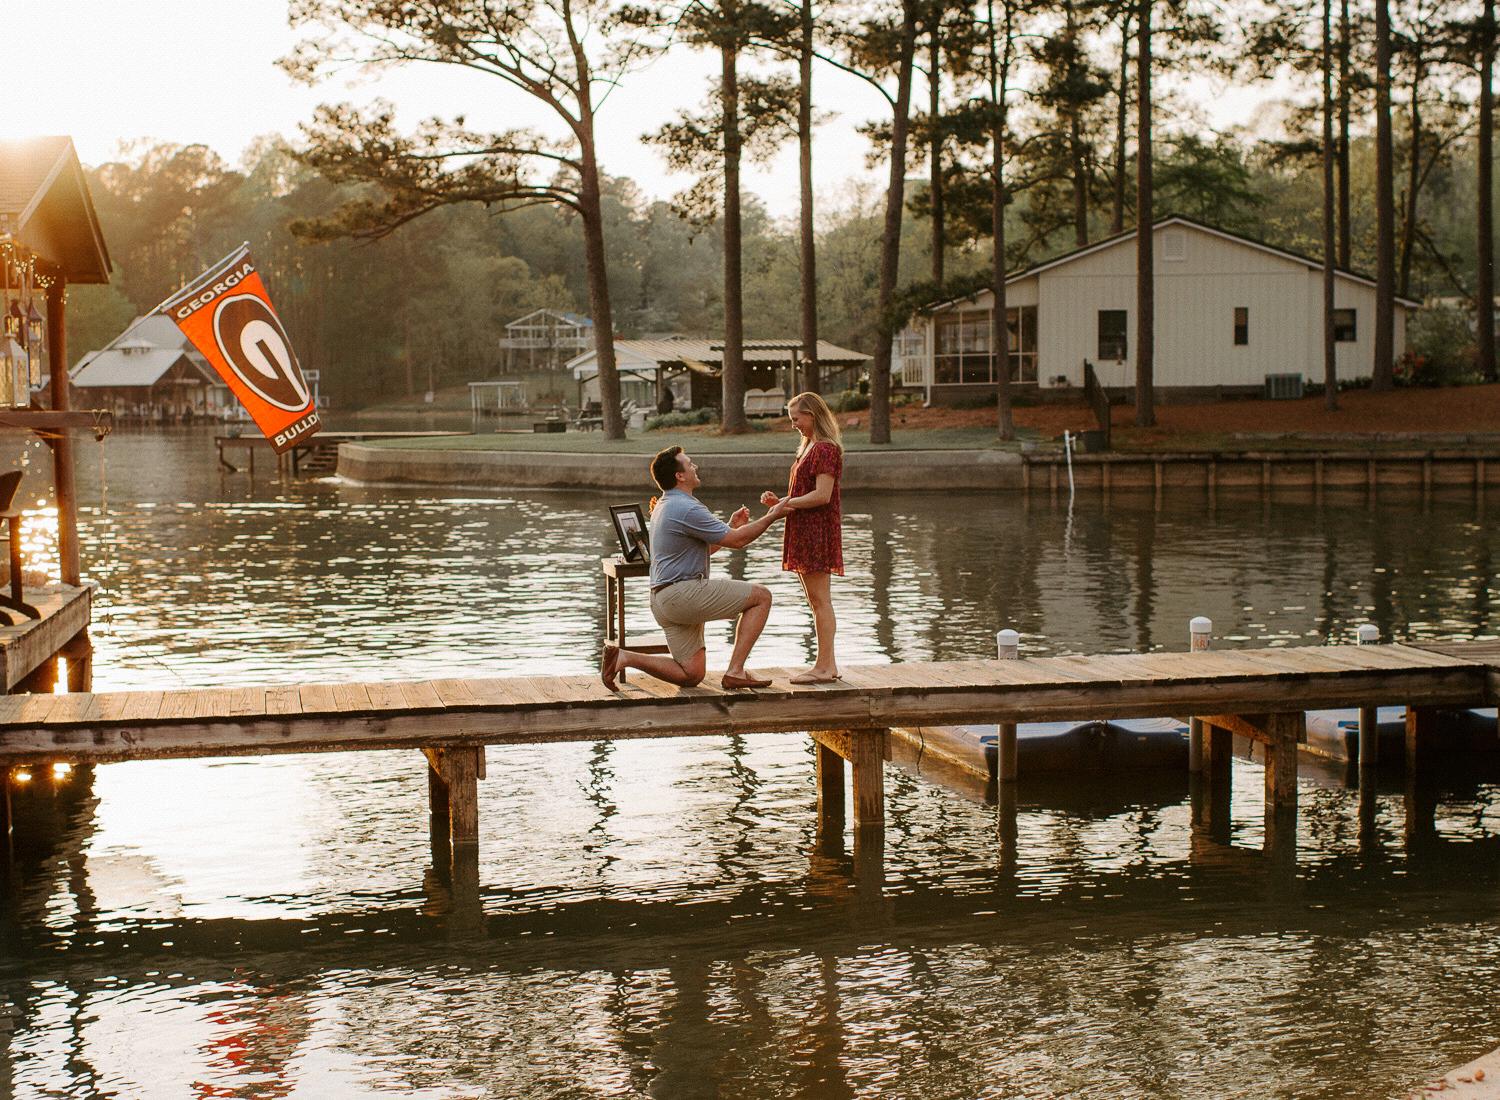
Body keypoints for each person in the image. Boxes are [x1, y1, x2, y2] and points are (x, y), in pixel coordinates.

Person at [603, 446, 789, 692]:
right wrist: (773, 515)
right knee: (761, 597)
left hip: (662, 599)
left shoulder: (665, 505)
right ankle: (735, 671)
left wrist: (731, 525)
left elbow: (706, 548)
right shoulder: (687, 507)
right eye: (690, 464)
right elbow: (737, 541)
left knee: (691, 674)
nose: (695, 467)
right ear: (680, 476)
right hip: (681, 595)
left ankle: (624, 658)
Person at [760, 391, 843, 684]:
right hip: (804, 529)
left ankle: (823, 667)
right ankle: (828, 665)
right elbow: (804, 493)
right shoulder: (807, 447)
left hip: (817, 532)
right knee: (816, 600)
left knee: (821, 601)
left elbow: (822, 495)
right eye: (791, 419)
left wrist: (787, 504)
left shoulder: (825, 449)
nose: (794, 424)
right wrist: (781, 502)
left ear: (813, 415)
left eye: (797, 418)